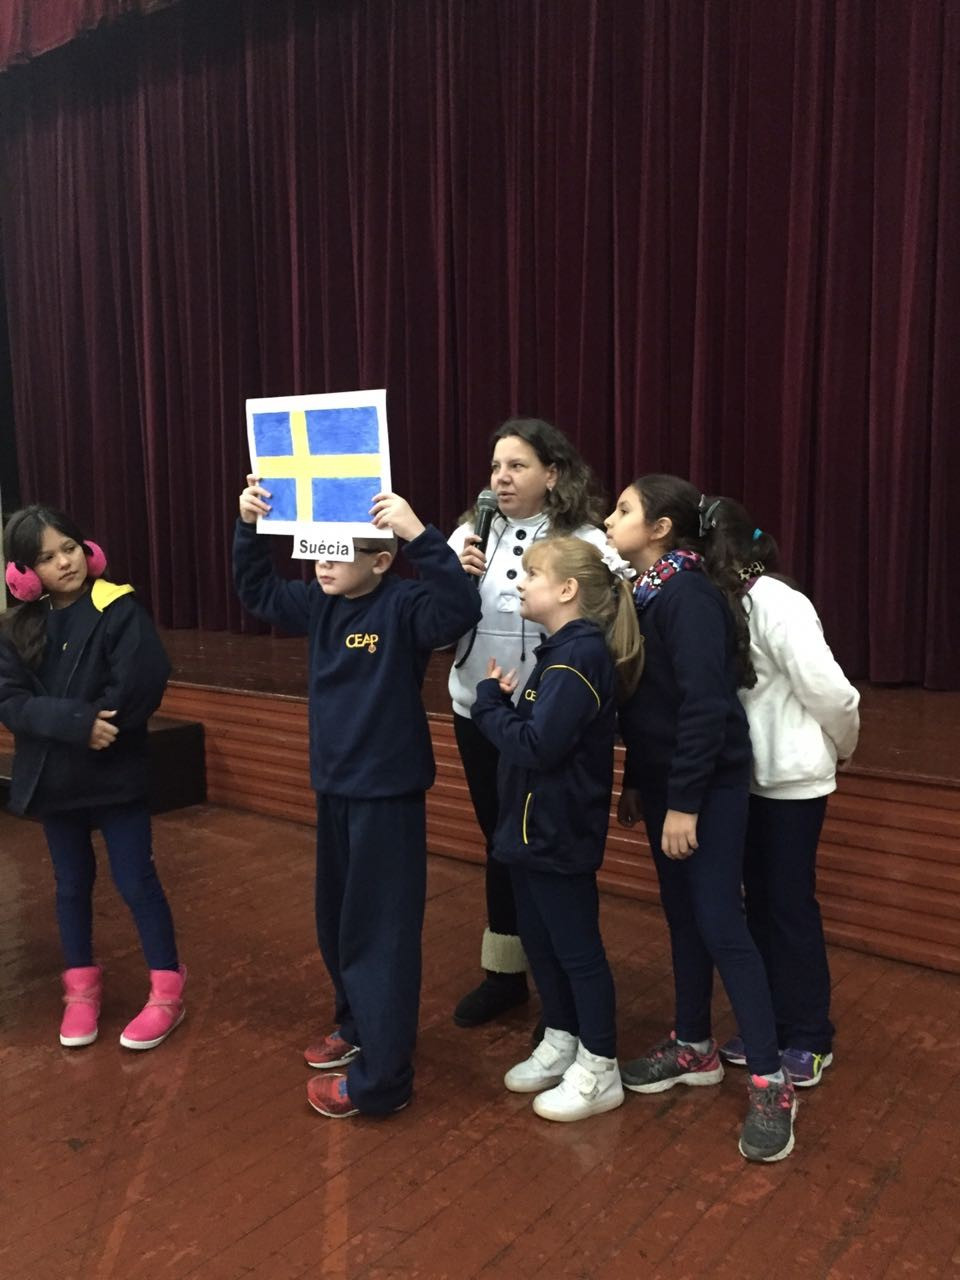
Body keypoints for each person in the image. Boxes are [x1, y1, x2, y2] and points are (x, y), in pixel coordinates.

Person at [235, 477, 481, 1118]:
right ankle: (357, 1025)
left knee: (381, 934)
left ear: (380, 560)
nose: (322, 563)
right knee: (339, 920)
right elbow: (257, 590)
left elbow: (459, 608)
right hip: (335, 788)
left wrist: (417, 534)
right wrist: (248, 525)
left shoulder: (405, 606)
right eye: (315, 550)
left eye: (338, 552)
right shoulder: (320, 602)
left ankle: (383, 1081)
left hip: (387, 795)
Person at [605, 476, 797, 1163]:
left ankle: (772, 1082)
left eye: (624, 509)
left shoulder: (685, 595)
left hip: (706, 789)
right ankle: (693, 1046)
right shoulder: (648, 591)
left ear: (660, 528)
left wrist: (685, 802)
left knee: (720, 923)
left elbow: (703, 707)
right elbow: (648, 703)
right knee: (684, 918)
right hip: (668, 785)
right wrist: (639, 781)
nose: (609, 519)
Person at [0, 505, 185, 1051]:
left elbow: (142, 679)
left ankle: (167, 989)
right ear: (23, 574)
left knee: (136, 880)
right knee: (70, 885)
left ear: (89, 551)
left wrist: (104, 726)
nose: (65, 563)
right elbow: (11, 701)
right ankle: (80, 988)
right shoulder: (17, 628)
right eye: (46, 558)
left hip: (114, 773)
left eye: (70, 549)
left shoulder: (117, 607)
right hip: (58, 780)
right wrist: (77, 723)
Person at [471, 536, 642, 1121]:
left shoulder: (577, 659)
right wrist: (506, 707)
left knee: (576, 950)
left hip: (557, 833)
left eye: (531, 574)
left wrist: (488, 706)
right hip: (529, 833)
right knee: (540, 941)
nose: (519, 583)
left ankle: (600, 1066)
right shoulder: (559, 654)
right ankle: (562, 1037)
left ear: (567, 590)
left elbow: (540, 746)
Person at [448, 418, 607, 1028]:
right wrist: (452, 582)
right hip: (479, 707)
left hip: (550, 717)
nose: (502, 478)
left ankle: (561, 989)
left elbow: (608, 627)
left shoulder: (585, 542)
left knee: (544, 848)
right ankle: (504, 974)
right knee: (501, 841)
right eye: (495, 467)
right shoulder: (470, 534)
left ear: (553, 474)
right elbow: (433, 631)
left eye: (517, 466)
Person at [699, 496, 859, 1087]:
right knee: (758, 904)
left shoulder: (780, 602)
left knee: (790, 906)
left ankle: (810, 1034)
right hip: (742, 780)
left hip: (792, 783)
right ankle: (768, 1024)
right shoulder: (715, 601)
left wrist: (842, 746)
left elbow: (832, 694)